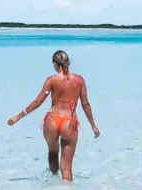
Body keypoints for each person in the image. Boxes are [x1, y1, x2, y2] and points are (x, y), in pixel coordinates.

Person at [8, 50, 100, 181]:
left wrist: (17, 117)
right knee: (67, 167)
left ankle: (52, 183)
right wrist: (93, 125)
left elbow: (37, 102)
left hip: (52, 120)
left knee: (52, 152)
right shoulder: (79, 80)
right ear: (68, 62)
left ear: (54, 64)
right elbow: (85, 105)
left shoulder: (51, 80)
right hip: (69, 121)